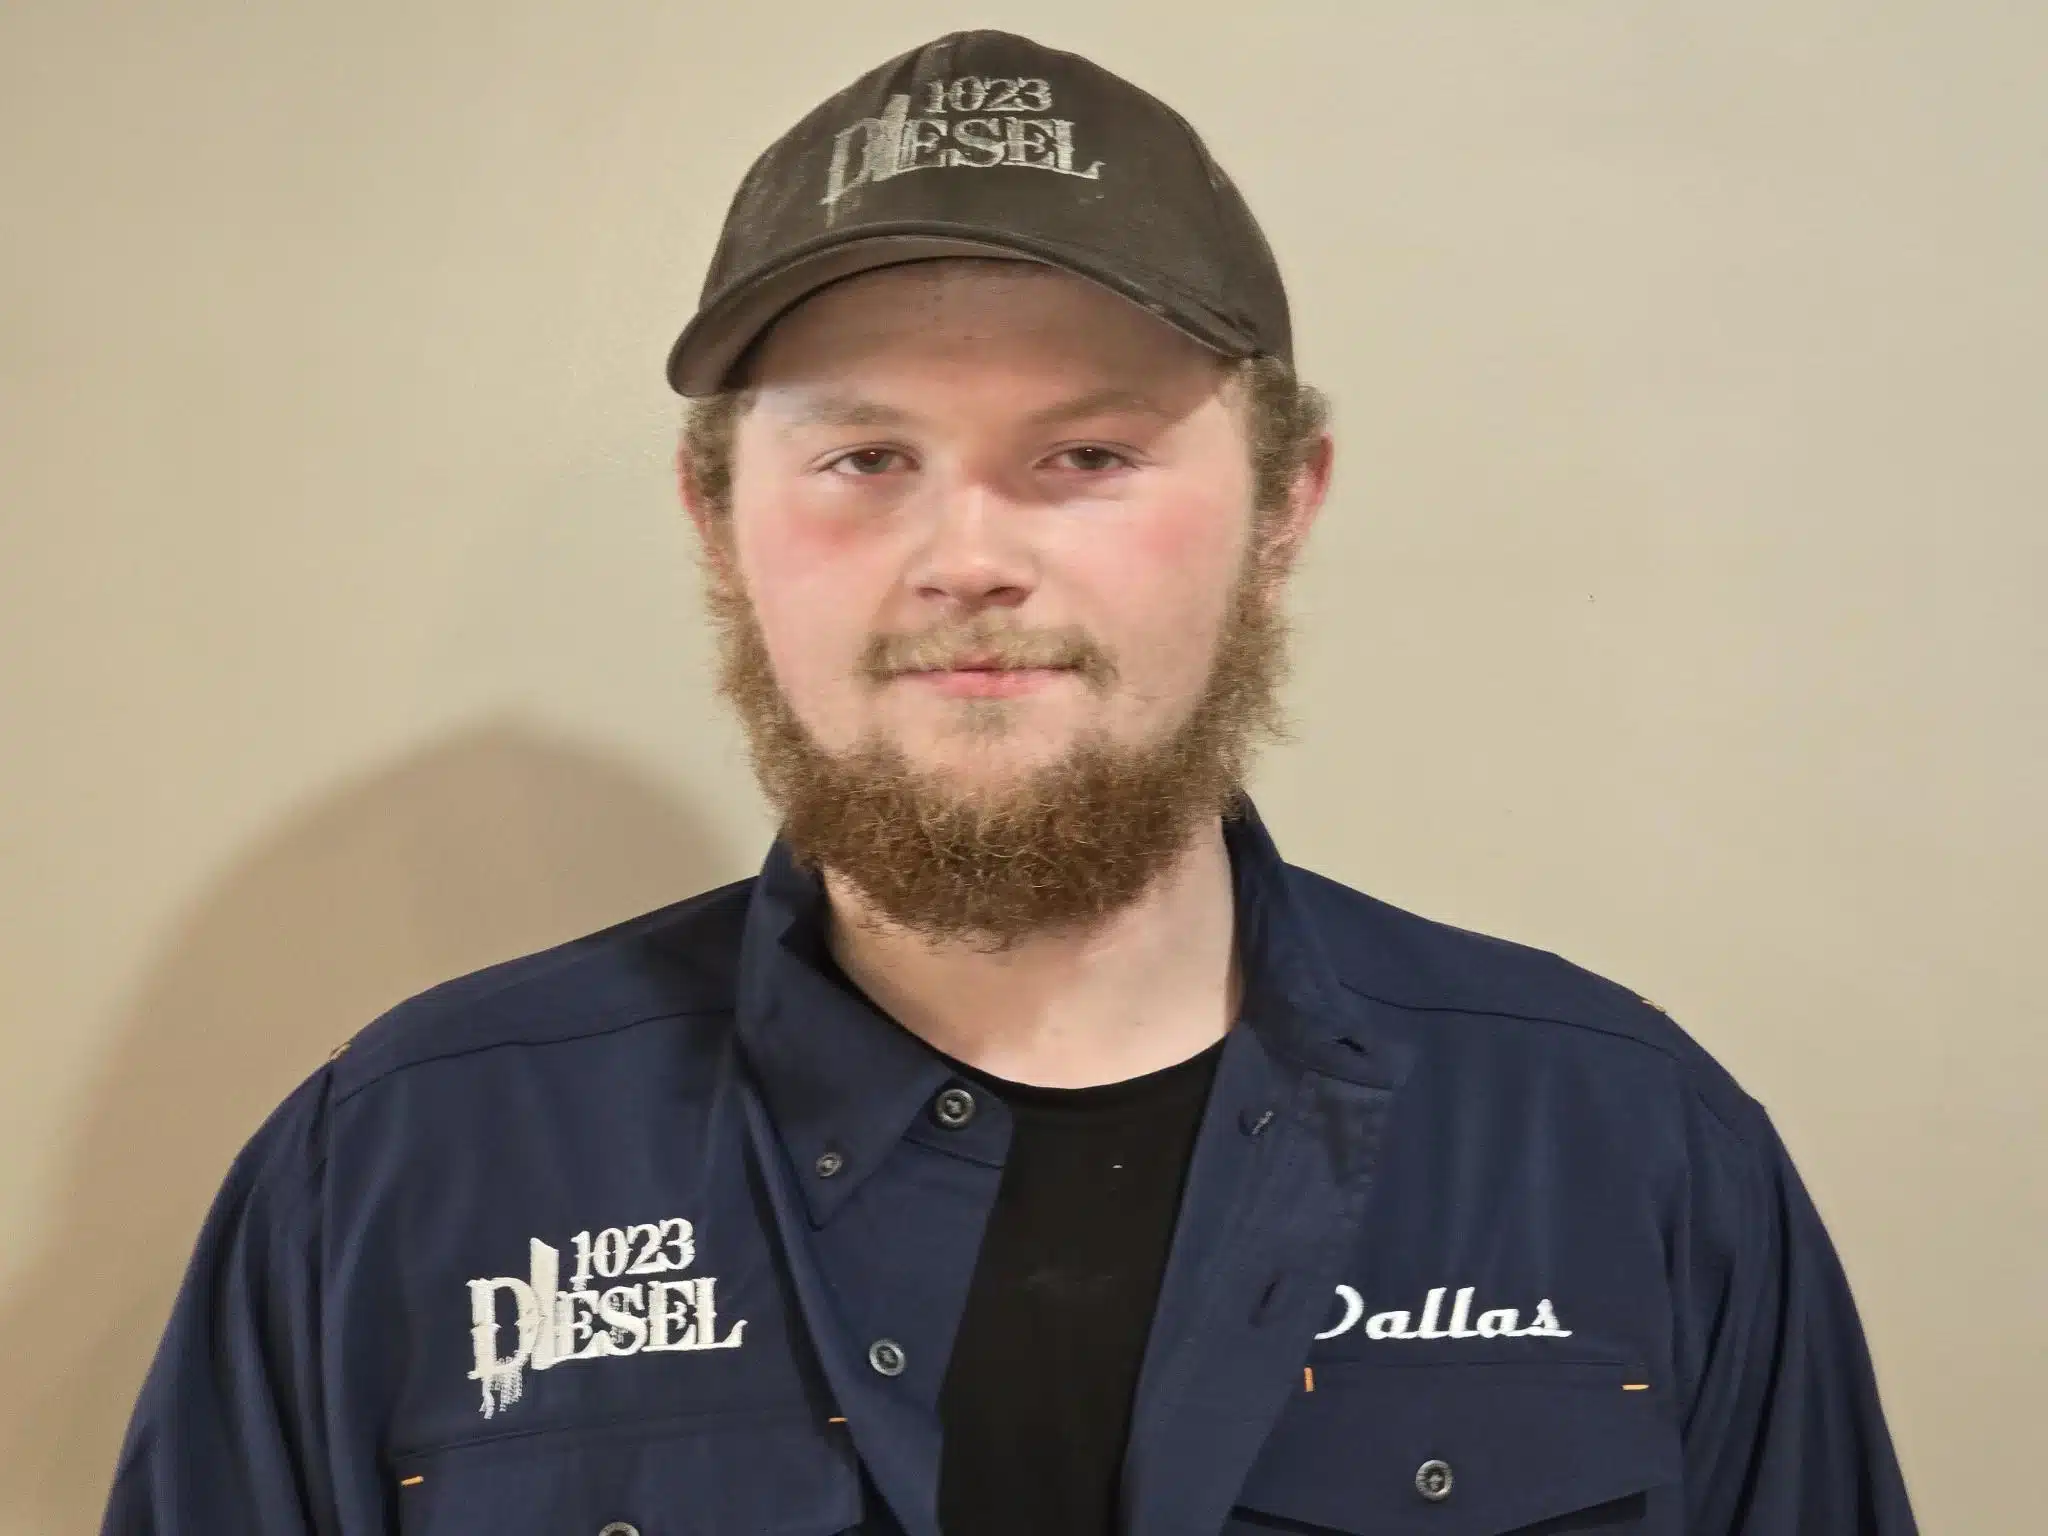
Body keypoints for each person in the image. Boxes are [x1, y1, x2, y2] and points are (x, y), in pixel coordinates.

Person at [102, 28, 1917, 1536]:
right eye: (867, 454)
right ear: (717, 527)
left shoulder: (1626, 1155)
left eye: (1090, 454)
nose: (966, 553)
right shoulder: (402, 1169)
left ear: (1287, 509)